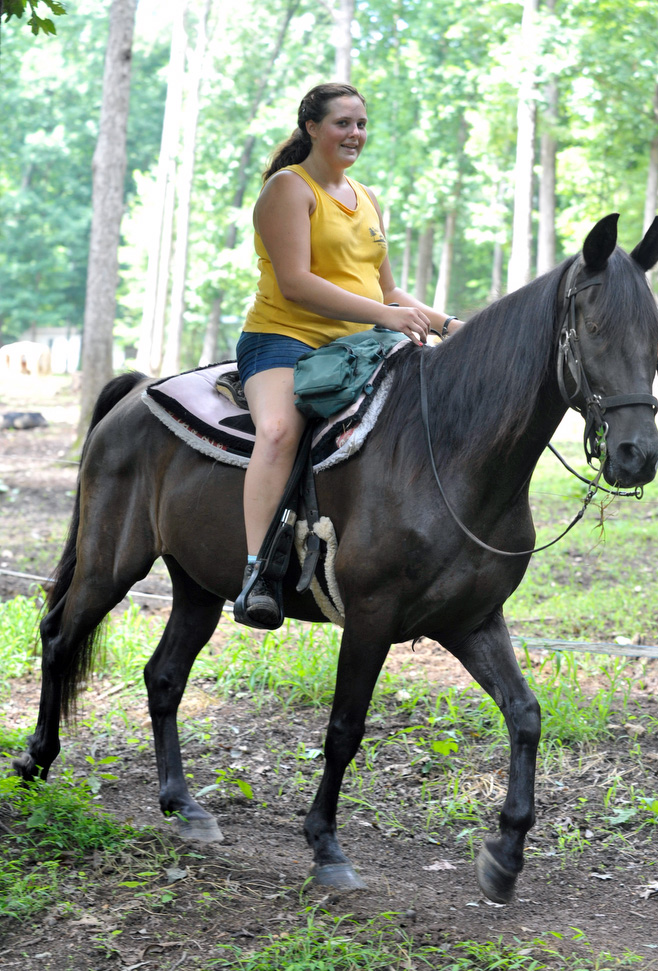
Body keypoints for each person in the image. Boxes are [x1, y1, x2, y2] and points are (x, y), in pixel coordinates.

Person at [235, 81, 462, 629]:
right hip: (284, 338)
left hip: (357, 344)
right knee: (278, 433)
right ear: (312, 127)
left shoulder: (365, 197)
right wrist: (385, 317)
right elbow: (294, 283)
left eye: (361, 124)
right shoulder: (290, 190)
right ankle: (258, 572)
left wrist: (451, 324)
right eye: (343, 123)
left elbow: (388, 292)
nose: (355, 134)